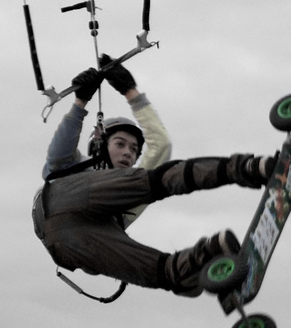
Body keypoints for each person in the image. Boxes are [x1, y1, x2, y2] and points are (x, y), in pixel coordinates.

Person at [32, 59, 277, 297]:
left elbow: (160, 145)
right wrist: (80, 102)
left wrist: (130, 91)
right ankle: (246, 169)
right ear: (99, 144)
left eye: (134, 150)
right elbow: (57, 157)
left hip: (77, 244)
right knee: (154, 182)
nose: (128, 152)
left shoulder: (128, 191)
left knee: (164, 272)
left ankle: (201, 257)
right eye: (120, 144)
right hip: (61, 201)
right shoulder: (77, 167)